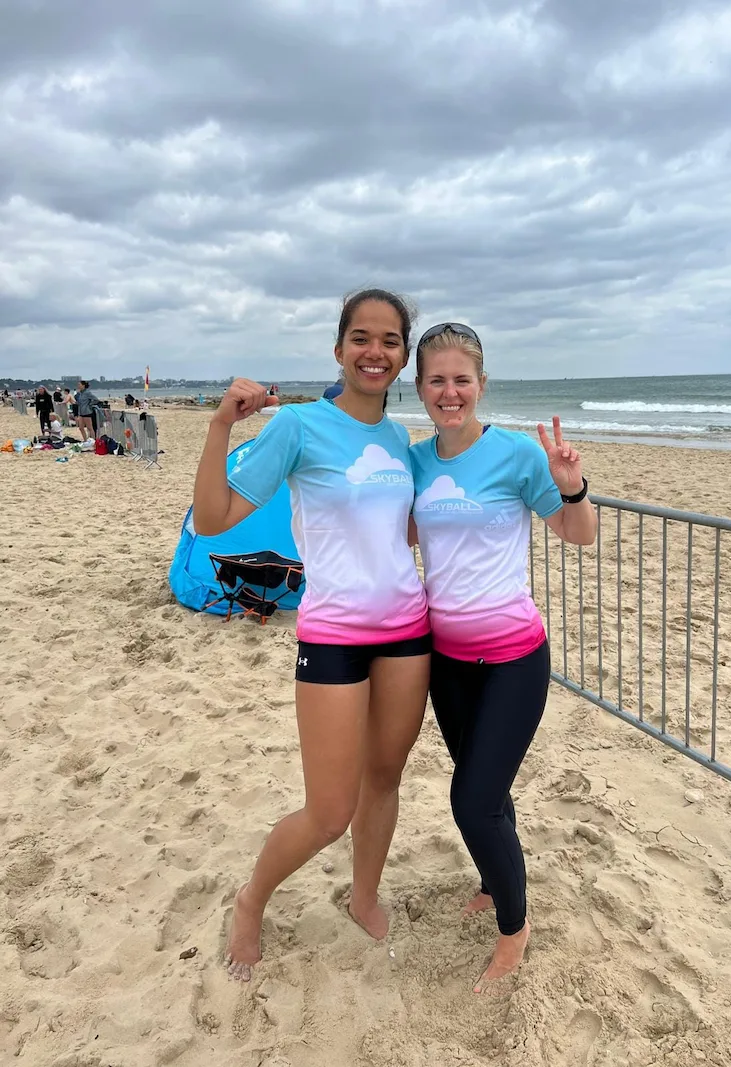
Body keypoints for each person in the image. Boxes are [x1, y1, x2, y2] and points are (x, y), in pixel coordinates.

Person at [192, 288, 431, 982]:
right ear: (338, 349)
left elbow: (408, 532)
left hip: (408, 633)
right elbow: (211, 519)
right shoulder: (298, 427)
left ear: (403, 356)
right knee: (330, 809)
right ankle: (251, 898)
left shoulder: (398, 441)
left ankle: (362, 896)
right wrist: (218, 429)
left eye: (390, 340)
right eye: (361, 337)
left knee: (384, 778)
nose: (375, 351)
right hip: (333, 634)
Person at [409, 324, 597, 993]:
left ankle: (514, 928)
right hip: (447, 662)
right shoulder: (416, 461)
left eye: (462, 379)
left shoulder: (518, 456)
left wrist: (571, 486)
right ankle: (494, 881)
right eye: (437, 379)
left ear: (481, 385)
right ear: (420, 387)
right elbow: (398, 533)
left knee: (472, 798)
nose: (450, 391)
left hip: (516, 657)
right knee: (485, 787)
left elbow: (580, 535)